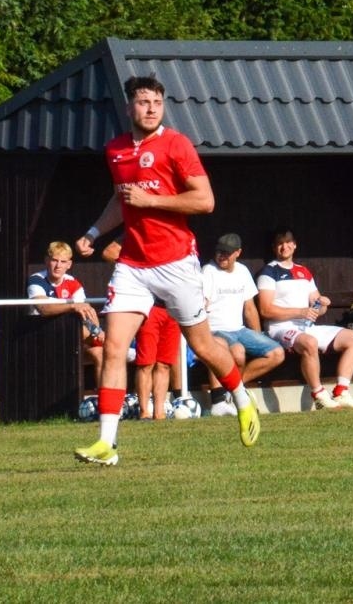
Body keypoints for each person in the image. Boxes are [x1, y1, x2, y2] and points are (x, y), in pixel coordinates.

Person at [73, 75, 260, 466]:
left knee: (204, 346)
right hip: (133, 265)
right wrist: (93, 231)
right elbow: (121, 199)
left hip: (176, 262)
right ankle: (107, 444)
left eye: (157, 101)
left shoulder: (176, 144)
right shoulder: (116, 150)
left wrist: (151, 200)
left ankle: (243, 399)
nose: (151, 108)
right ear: (130, 107)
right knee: (112, 347)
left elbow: (204, 201)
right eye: (143, 102)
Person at [257, 228, 353, 409]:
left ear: (294, 245)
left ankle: (341, 392)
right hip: (280, 328)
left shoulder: (304, 272)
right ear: (274, 247)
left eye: (288, 242)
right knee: (309, 342)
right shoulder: (268, 272)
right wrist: (301, 312)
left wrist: (322, 304)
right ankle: (318, 394)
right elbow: (266, 310)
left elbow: (316, 306)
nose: (284, 247)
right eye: (280, 243)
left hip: (306, 326)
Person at [201, 232, 287, 414]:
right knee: (238, 353)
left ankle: (234, 390)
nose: (221, 256)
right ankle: (231, 395)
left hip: (239, 329)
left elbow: (249, 308)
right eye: (219, 252)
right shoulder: (208, 271)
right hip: (215, 329)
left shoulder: (242, 271)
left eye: (226, 253)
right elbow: (202, 304)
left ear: (237, 253)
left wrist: (258, 334)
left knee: (277, 353)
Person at [28, 240, 105, 375]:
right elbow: (43, 309)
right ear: (47, 261)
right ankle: (113, 343)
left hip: (69, 335)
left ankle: (103, 396)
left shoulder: (73, 283)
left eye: (63, 262)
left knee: (100, 353)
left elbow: (85, 311)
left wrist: (94, 328)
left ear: (69, 264)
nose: (58, 266)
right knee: (105, 341)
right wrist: (72, 306)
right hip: (39, 334)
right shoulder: (36, 280)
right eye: (54, 260)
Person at [132, 303, 181, 419]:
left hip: (173, 309)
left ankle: (159, 413)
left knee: (164, 364)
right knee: (146, 364)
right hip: (150, 308)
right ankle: (144, 412)